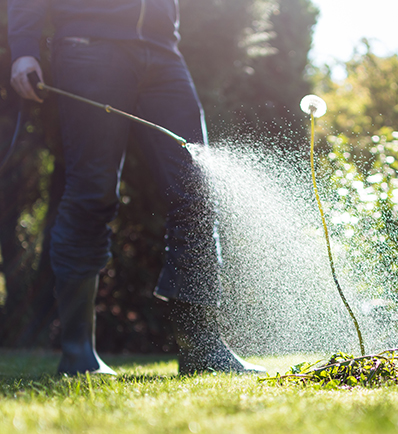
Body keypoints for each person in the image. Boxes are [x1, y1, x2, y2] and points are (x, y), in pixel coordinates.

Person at [8, 0, 265, 376]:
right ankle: (78, 353)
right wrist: (24, 49)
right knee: (91, 193)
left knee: (197, 188)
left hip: (163, 52)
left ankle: (202, 349)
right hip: (89, 45)